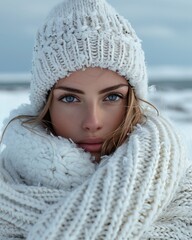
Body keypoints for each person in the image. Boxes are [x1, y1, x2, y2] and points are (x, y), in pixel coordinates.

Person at [0, 0, 192, 239]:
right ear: (46, 105)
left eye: (112, 96)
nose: (92, 121)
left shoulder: (184, 196)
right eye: (70, 99)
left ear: (133, 100)